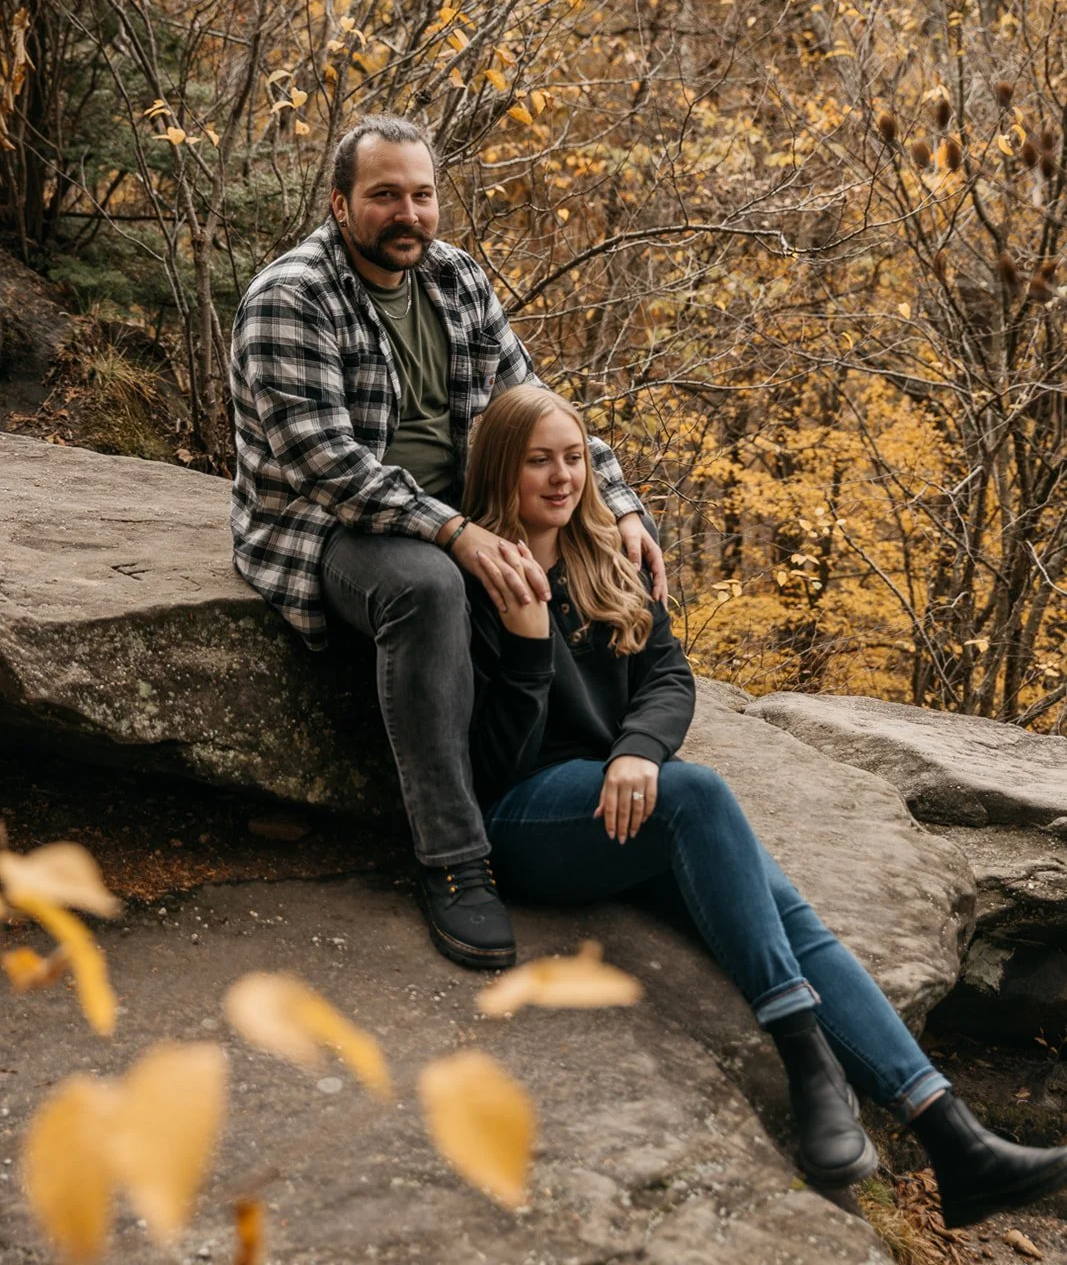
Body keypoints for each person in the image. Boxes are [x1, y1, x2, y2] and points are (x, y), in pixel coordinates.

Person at [461, 383, 1067, 1226]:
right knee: (700, 795)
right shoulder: (480, 576)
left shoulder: (609, 551)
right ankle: (806, 1057)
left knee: (785, 914)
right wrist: (528, 645)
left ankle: (955, 1139)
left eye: (572, 458)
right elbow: (495, 760)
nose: (562, 478)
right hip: (529, 820)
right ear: (502, 468)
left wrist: (637, 749)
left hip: (625, 803)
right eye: (538, 461)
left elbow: (668, 677)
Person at [229, 114, 664, 972]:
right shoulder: (289, 299)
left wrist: (617, 502)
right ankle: (456, 859)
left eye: (422, 195)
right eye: (384, 195)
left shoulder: (455, 279)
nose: (409, 213)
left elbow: (528, 396)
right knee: (430, 587)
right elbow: (328, 464)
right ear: (341, 203)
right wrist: (456, 531)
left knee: (610, 542)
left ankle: (601, 766)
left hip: (462, 506)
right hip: (330, 525)